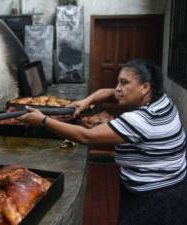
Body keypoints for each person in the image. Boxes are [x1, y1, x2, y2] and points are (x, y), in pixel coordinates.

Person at [17, 59, 187, 225]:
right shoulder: (163, 101)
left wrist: (43, 121)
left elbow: (87, 136)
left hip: (156, 196)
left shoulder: (141, 120)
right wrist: (86, 101)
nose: (117, 89)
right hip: (173, 183)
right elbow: (109, 92)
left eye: (124, 83)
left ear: (145, 87)